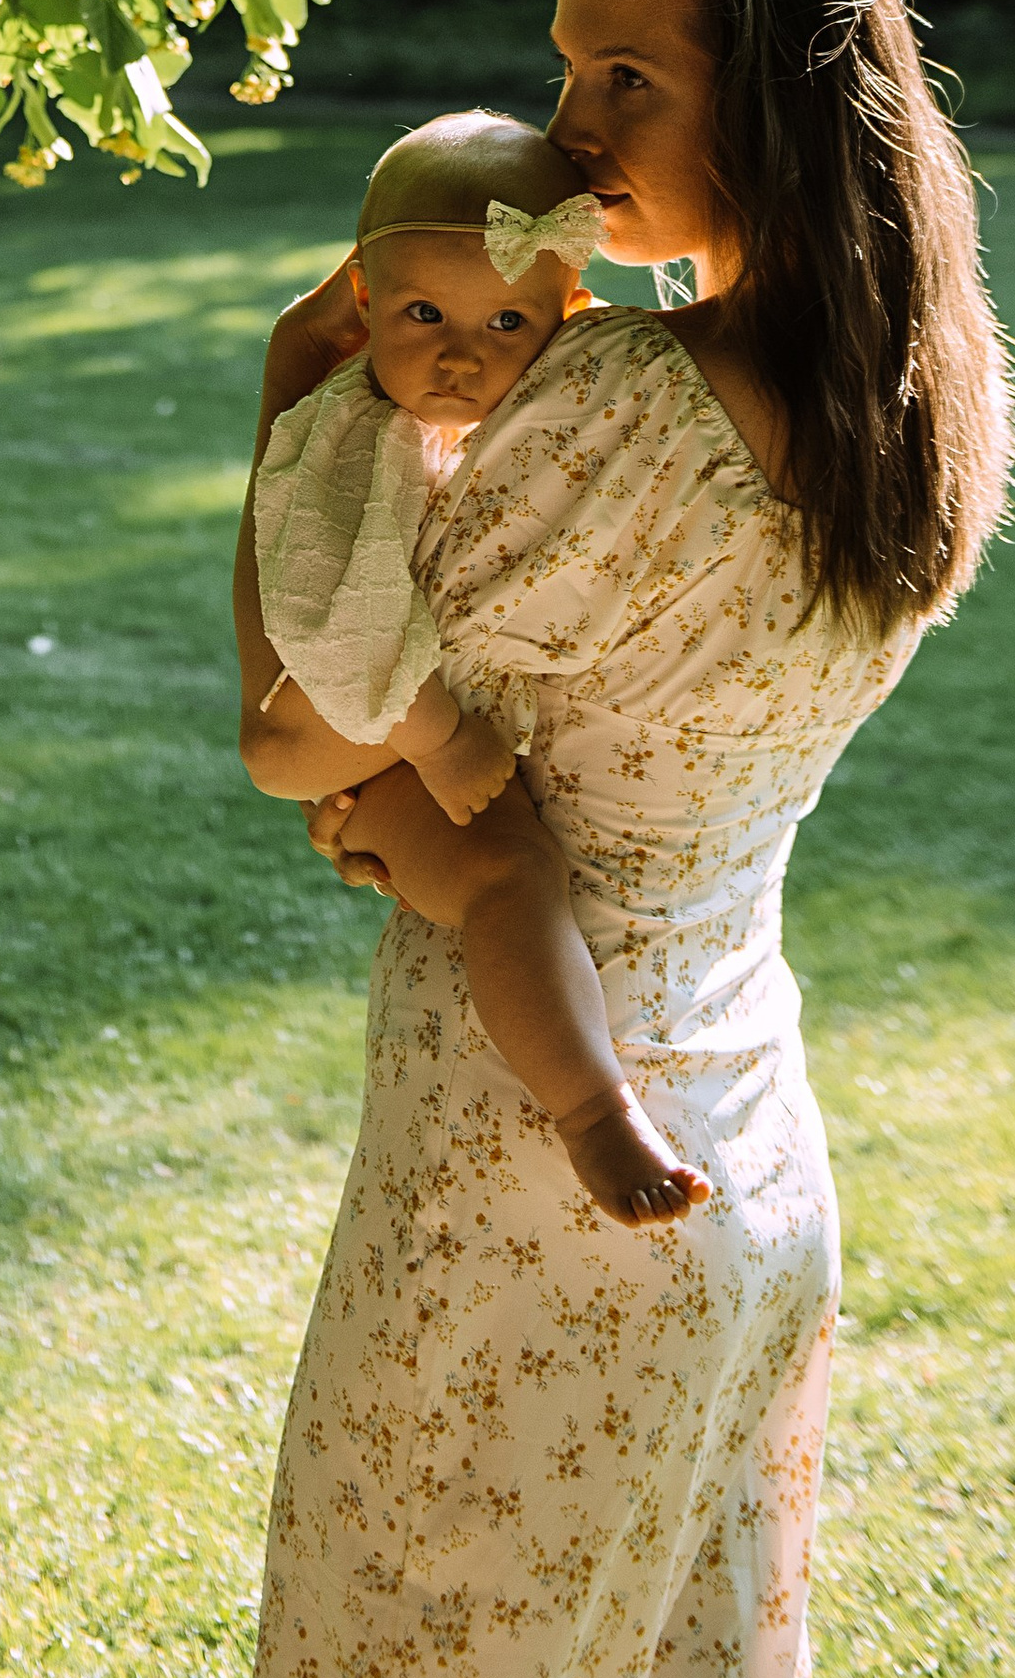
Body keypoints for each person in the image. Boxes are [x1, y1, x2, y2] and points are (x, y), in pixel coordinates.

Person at [247, 0, 1015, 1678]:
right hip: (744, 1149)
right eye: (567, 68)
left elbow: (310, 714)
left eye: (629, 79)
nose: (570, 133)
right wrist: (416, 815)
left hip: (522, 1179)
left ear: (775, 97)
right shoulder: (922, 415)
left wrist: (290, 399)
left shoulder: (609, 410)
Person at [237, 107, 710, 1227]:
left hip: (375, 731)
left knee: (504, 875)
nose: (461, 354)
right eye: (423, 315)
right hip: (330, 714)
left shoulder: (474, 413)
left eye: (507, 320)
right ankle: (594, 1111)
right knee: (508, 864)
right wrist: (442, 739)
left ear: (567, 315)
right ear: (362, 301)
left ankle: (594, 1107)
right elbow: (331, 624)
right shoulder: (350, 438)